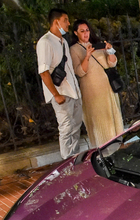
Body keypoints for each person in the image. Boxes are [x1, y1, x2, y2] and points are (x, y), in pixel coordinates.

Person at [36, 9, 83, 159]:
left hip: (73, 91)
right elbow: (43, 72)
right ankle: (67, 161)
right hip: (61, 93)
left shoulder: (62, 41)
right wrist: (56, 95)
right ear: (56, 22)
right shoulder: (45, 42)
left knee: (76, 127)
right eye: (65, 20)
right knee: (66, 128)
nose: (68, 23)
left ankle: (74, 157)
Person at [69, 20, 124, 148]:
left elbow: (112, 63)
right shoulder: (74, 49)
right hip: (92, 90)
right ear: (76, 33)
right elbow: (80, 72)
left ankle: (116, 145)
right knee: (99, 119)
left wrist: (110, 50)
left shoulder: (97, 44)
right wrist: (87, 56)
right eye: (82, 31)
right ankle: (104, 148)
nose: (85, 33)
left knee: (112, 116)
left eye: (87, 30)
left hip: (107, 88)